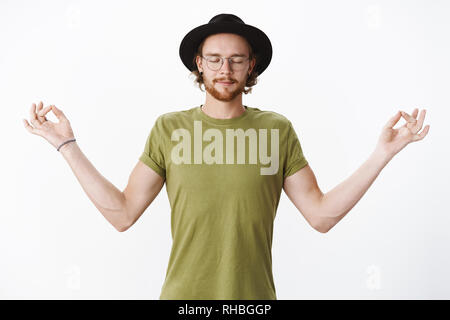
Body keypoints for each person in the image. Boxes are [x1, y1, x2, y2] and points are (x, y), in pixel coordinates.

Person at [22, 13, 430, 300]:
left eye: (236, 59)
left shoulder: (277, 130)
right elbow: (123, 214)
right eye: (214, 59)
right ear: (199, 65)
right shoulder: (170, 129)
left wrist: (383, 153)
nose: (225, 69)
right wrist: (67, 146)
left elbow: (321, 216)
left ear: (251, 66)